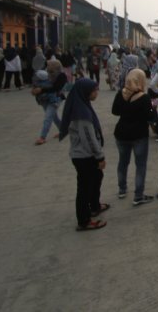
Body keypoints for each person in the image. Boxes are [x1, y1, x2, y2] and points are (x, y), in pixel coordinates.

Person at [60, 78, 108, 231]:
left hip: (84, 154)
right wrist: (99, 156)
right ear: (86, 92)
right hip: (84, 155)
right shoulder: (82, 113)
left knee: (96, 177)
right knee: (85, 188)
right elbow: (89, 138)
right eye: (94, 90)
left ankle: (94, 206)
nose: (96, 93)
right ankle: (84, 220)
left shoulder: (82, 105)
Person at [112, 68, 156, 205]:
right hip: (139, 134)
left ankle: (122, 189)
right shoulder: (144, 97)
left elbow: (115, 111)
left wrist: (127, 110)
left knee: (123, 162)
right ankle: (138, 195)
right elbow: (150, 117)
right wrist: (152, 108)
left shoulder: (121, 94)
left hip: (121, 133)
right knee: (140, 165)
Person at [32, 59, 67, 145]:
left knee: (48, 117)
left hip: (55, 99)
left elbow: (56, 88)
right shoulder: (46, 74)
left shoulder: (61, 75)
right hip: (44, 99)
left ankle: (42, 137)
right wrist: (35, 90)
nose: (48, 67)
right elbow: (37, 84)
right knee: (53, 117)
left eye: (50, 65)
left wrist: (41, 90)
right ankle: (63, 130)